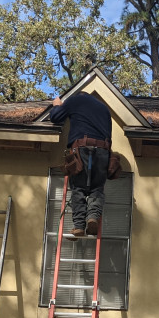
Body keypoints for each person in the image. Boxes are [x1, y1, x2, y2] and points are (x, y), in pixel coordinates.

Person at [48, 92, 112, 237]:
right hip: (103, 151)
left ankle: (79, 226)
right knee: (97, 187)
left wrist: (57, 105)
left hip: (82, 148)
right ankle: (92, 217)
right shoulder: (104, 108)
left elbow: (55, 117)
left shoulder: (75, 100)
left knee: (78, 187)